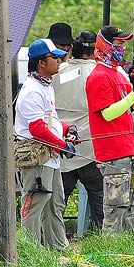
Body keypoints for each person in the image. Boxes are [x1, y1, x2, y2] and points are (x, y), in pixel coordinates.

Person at [14, 38, 74, 249]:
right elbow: (36, 128)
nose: (60, 60)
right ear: (41, 62)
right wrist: (61, 145)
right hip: (37, 158)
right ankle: (30, 253)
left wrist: (66, 130)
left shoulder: (45, 86)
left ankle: (58, 249)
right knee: (34, 206)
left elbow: (51, 119)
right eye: (54, 57)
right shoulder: (32, 90)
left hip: (50, 157)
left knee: (55, 204)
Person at [84, 25, 134, 235]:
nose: (122, 47)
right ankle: (110, 252)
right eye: (118, 43)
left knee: (132, 206)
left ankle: (129, 251)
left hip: (131, 150)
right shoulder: (98, 76)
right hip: (113, 151)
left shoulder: (118, 73)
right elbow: (107, 114)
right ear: (106, 45)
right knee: (115, 210)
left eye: (124, 43)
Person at [54, 29, 104, 230]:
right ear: (96, 51)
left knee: (56, 204)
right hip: (92, 148)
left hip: (62, 147)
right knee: (101, 202)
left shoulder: (57, 71)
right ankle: (104, 241)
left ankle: (48, 242)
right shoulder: (102, 73)